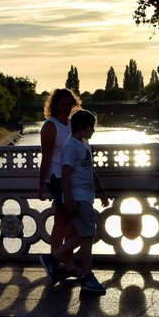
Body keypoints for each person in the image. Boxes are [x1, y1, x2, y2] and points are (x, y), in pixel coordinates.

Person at [51, 109, 110, 294]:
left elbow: (90, 170)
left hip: (86, 196)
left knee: (83, 234)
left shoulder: (84, 143)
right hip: (77, 197)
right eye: (91, 127)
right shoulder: (71, 145)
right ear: (83, 128)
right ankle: (86, 275)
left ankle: (54, 259)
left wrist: (100, 191)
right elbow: (65, 173)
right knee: (88, 235)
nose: (94, 131)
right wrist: (67, 199)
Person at [37, 87, 80, 280]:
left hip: (72, 177)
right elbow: (46, 157)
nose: (66, 108)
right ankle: (61, 262)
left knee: (66, 222)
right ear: (54, 105)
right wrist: (41, 184)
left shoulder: (72, 124)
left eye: (69, 104)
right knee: (63, 220)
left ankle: (59, 261)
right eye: (63, 104)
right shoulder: (50, 125)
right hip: (56, 176)